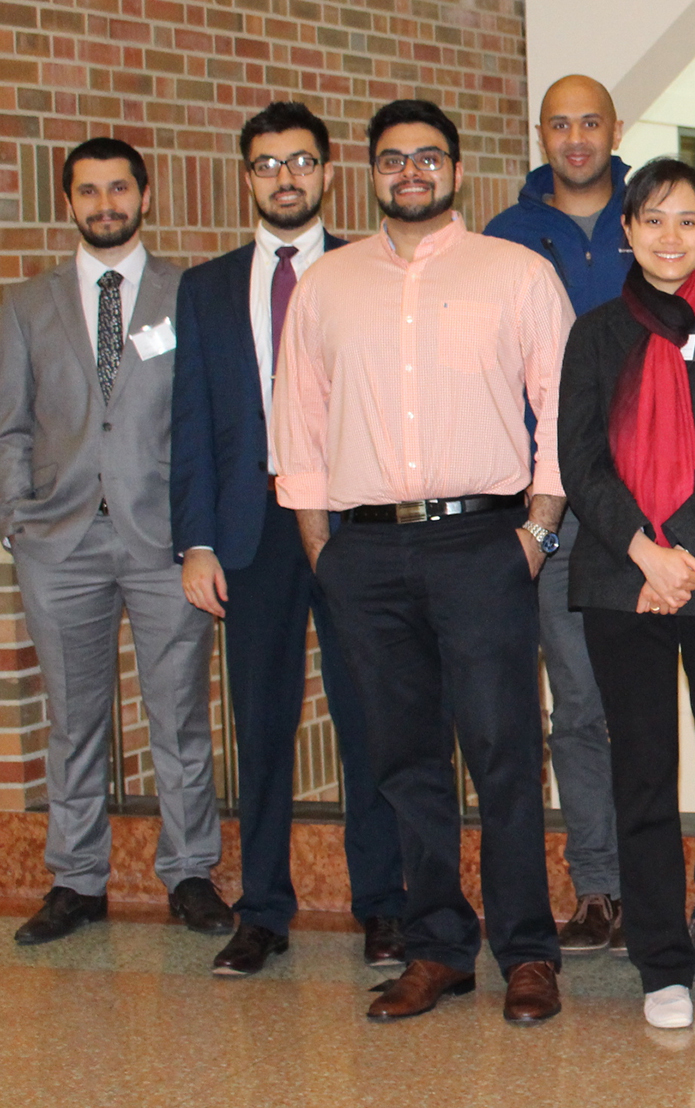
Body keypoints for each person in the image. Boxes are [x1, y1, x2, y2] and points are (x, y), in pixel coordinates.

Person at [272, 99, 571, 1025]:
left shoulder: (516, 273)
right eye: (394, 158)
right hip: (363, 550)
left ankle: (527, 952)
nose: (411, 172)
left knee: (504, 751)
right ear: (370, 171)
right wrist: (323, 546)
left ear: (456, 171)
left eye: (428, 158)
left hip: (483, 542)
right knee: (403, 759)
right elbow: (300, 420)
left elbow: (563, 406)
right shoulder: (327, 285)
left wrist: (538, 530)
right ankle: (438, 946)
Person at [170, 102, 407, 975]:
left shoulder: (372, 268)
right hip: (247, 532)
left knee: (370, 720)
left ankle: (383, 905)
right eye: (267, 166)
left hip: (352, 525)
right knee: (263, 724)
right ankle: (264, 908)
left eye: (300, 163)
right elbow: (191, 422)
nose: (285, 179)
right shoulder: (206, 288)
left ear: (328, 173)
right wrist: (194, 540)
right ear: (246, 178)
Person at [559, 157, 695, 1033]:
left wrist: (680, 548)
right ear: (626, 230)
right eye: (651, 219)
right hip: (622, 580)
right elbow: (581, 462)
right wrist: (646, 554)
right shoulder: (595, 335)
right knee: (641, 774)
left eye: (687, 220)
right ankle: (661, 959)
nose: (669, 237)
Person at [0, 137, 235, 945]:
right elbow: (11, 425)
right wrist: (16, 520)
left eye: (119, 188)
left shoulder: (189, 295)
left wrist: (201, 532)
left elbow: (206, 420)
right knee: (74, 719)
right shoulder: (26, 305)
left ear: (145, 196)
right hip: (58, 542)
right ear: (69, 202)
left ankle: (191, 872)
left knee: (178, 717)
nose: (105, 203)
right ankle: (75, 879)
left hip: (166, 541)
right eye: (89, 191)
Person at [482, 74, 627, 955]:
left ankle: (657, 882)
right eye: (560, 124)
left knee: (649, 704)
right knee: (577, 705)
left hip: (656, 502)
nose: (576, 138)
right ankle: (601, 888)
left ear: (617, 129)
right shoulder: (503, 238)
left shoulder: (657, 216)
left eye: (591, 123)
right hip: (553, 505)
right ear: (540, 133)